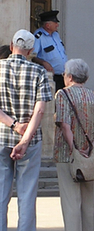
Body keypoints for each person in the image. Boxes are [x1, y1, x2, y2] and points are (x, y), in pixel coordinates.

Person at [0, 29, 53, 231]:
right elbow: (39, 111)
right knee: (27, 195)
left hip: (2, 135)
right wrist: (24, 139)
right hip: (30, 139)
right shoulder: (38, 72)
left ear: (11, 46)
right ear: (30, 50)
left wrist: (13, 125)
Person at [53, 59, 94, 231]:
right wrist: (90, 150)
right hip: (90, 158)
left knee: (71, 203)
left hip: (67, 156)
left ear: (69, 77)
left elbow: (65, 125)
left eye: (64, 74)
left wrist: (75, 150)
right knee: (90, 205)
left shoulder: (63, 94)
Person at [32, 10, 68, 91]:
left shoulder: (56, 35)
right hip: (50, 77)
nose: (57, 25)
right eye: (55, 23)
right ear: (48, 25)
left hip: (63, 76)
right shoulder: (39, 36)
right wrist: (44, 63)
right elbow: (33, 56)